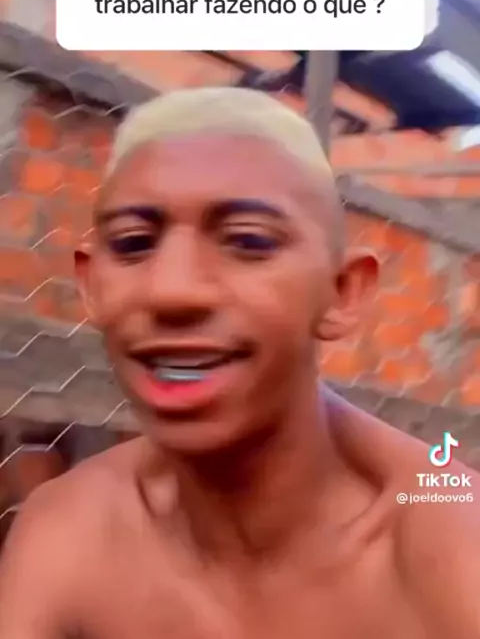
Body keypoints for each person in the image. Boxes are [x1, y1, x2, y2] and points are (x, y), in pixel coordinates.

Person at [0, 87, 478, 638]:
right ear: (91, 287)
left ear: (342, 293)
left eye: (247, 241)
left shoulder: (450, 543)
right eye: (133, 244)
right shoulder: (70, 532)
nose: (173, 290)